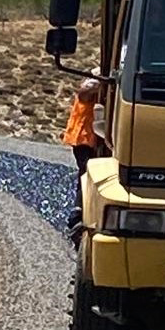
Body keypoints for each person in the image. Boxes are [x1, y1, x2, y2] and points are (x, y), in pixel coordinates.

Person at [62, 67, 101, 227]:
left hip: (92, 140)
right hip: (82, 139)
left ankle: (82, 210)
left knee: (86, 173)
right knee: (86, 172)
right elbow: (87, 89)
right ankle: (78, 211)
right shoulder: (88, 90)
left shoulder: (97, 94)